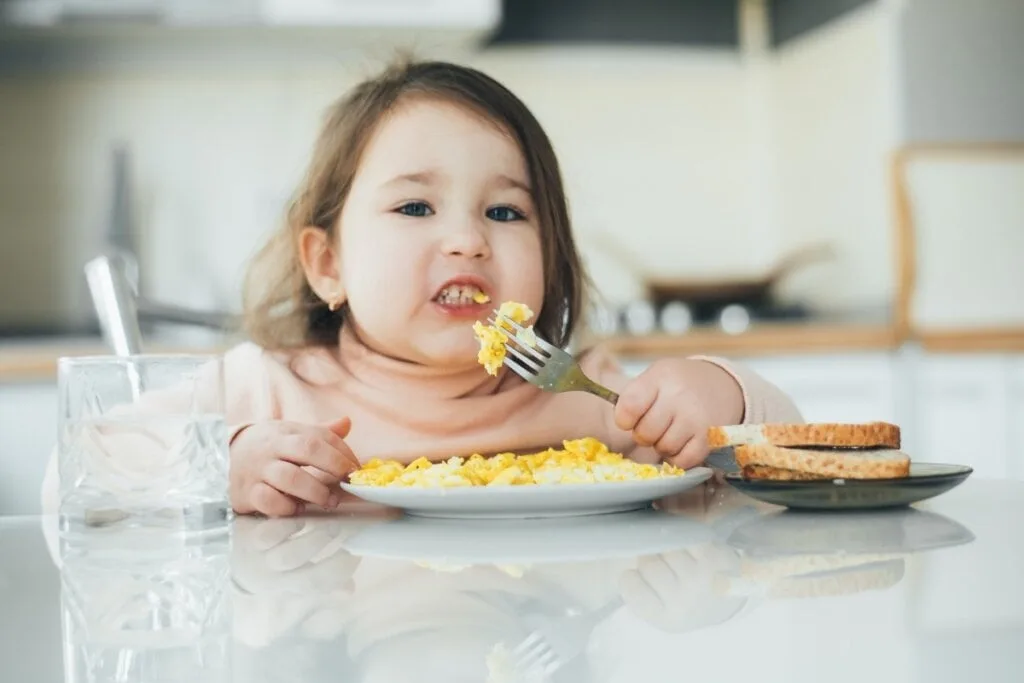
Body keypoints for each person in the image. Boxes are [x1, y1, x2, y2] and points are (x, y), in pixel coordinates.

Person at [41, 58, 801, 518]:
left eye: (505, 211)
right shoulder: (261, 391)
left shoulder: (595, 397)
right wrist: (218, 464)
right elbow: (77, 471)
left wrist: (723, 398)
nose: (468, 238)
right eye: (414, 207)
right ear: (327, 263)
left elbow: (784, 458)